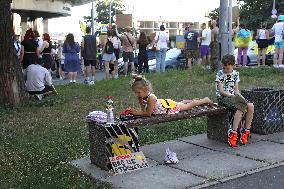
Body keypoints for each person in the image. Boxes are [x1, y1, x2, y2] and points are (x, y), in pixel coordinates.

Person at [128, 75, 213, 117]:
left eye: (138, 92)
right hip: (166, 105)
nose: (137, 95)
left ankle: (204, 100)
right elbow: (144, 110)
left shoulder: (151, 98)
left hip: (168, 108)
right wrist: (141, 104)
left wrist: (136, 112)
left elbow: (148, 113)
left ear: (146, 89)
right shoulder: (143, 97)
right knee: (182, 103)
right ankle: (193, 100)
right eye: (136, 93)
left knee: (187, 106)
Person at [216, 55, 254, 148]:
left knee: (250, 106)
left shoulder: (236, 74)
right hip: (223, 97)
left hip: (234, 96)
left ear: (233, 66)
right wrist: (234, 96)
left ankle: (246, 130)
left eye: (227, 68)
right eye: (224, 68)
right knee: (241, 107)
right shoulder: (220, 74)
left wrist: (241, 98)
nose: (225, 70)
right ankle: (233, 132)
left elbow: (236, 90)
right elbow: (221, 91)